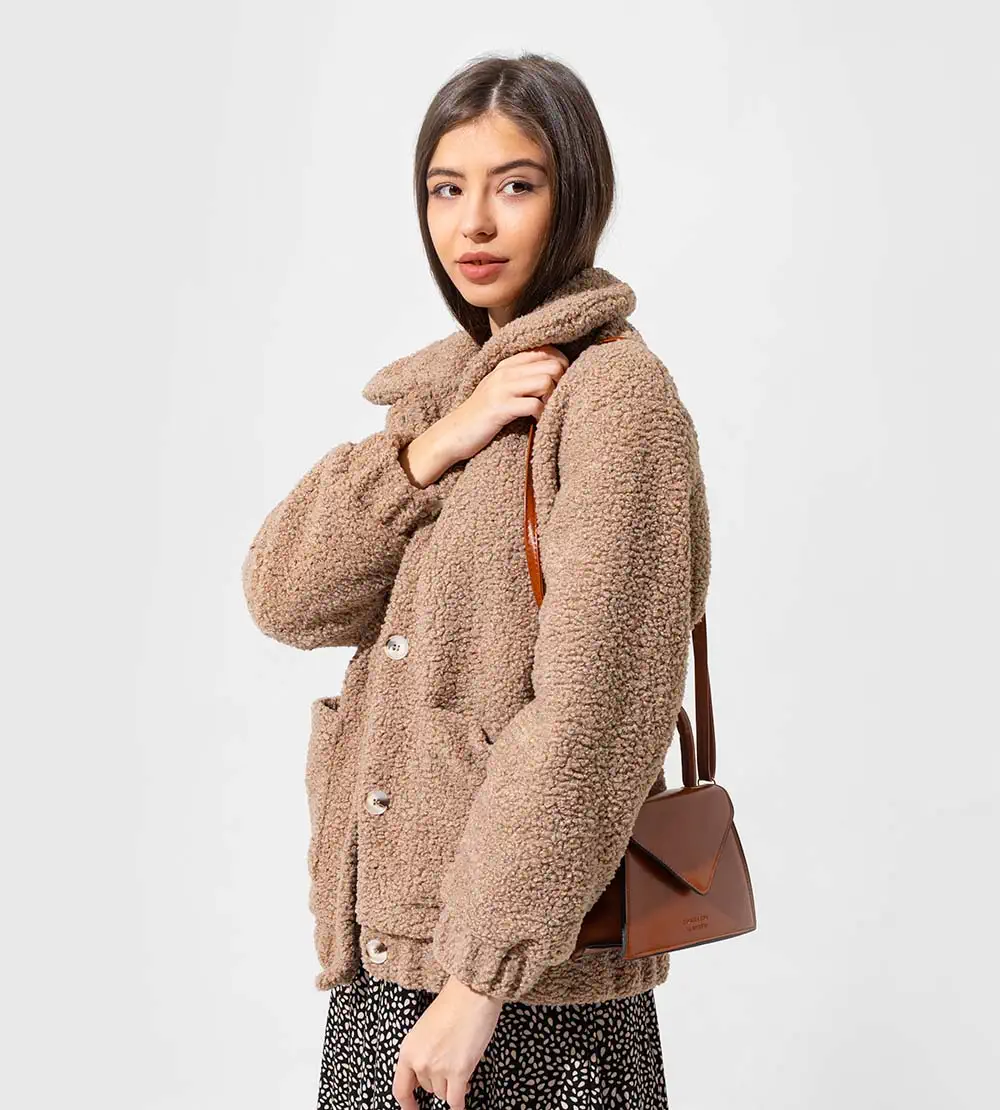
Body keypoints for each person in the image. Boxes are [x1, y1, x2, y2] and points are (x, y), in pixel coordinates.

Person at [241, 51, 711, 1110]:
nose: (475, 225)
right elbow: (284, 597)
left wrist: (478, 982)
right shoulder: (449, 398)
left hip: (520, 989)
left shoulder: (614, 399)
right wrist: (432, 448)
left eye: (516, 185)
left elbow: (597, 712)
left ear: (576, 196)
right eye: (447, 189)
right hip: (391, 964)